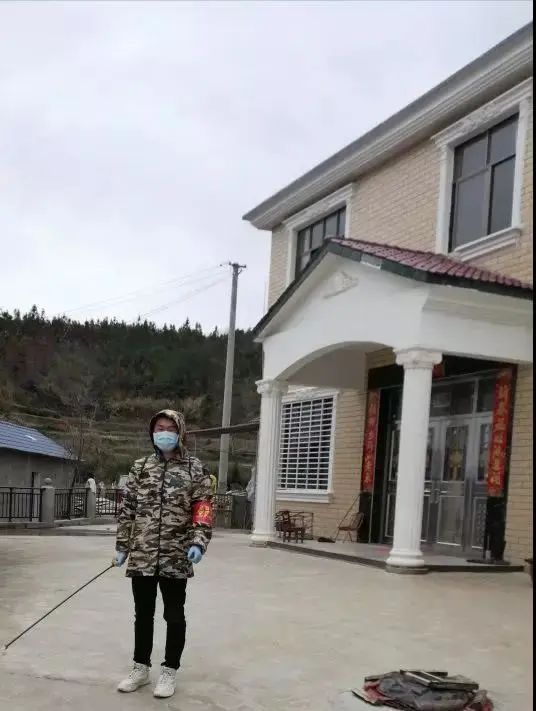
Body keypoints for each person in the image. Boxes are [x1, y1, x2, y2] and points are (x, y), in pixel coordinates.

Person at [113, 409, 213, 699]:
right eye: (159, 428)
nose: (164, 433)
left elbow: (203, 508)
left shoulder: (195, 468)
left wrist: (198, 542)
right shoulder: (141, 467)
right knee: (143, 614)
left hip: (176, 554)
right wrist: (122, 546)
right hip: (142, 554)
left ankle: (169, 671)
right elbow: (128, 510)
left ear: (180, 432)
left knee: (174, 615)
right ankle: (140, 668)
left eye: (170, 428)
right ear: (152, 432)